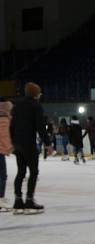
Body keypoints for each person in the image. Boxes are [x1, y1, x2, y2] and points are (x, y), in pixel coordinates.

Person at [9, 82, 52, 214]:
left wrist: (13, 142)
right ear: (36, 93)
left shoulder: (17, 106)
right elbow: (40, 127)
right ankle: (29, 200)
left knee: (21, 172)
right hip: (29, 144)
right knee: (33, 172)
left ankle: (17, 201)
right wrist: (48, 143)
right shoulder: (36, 106)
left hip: (18, 144)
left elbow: (12, 126)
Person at [0, 98, 12, 211]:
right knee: (2, 176)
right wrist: (9, 147)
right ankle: (0, 198)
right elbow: (3, 136)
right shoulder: (3, 119)